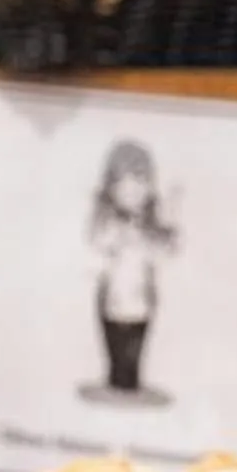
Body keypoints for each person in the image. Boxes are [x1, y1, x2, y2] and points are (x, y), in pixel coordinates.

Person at [87, 140, 176, 394]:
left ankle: (130, 383)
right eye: (123, 182)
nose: (132, 190)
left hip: (141, 296)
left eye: (140, 181)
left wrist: (166, 230)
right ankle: (116, 381)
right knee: (115, 342)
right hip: (113, 293)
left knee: (135, 343)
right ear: (111, 186)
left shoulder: (150, 226)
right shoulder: (107, 222)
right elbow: (98, 242)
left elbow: (163, 252)